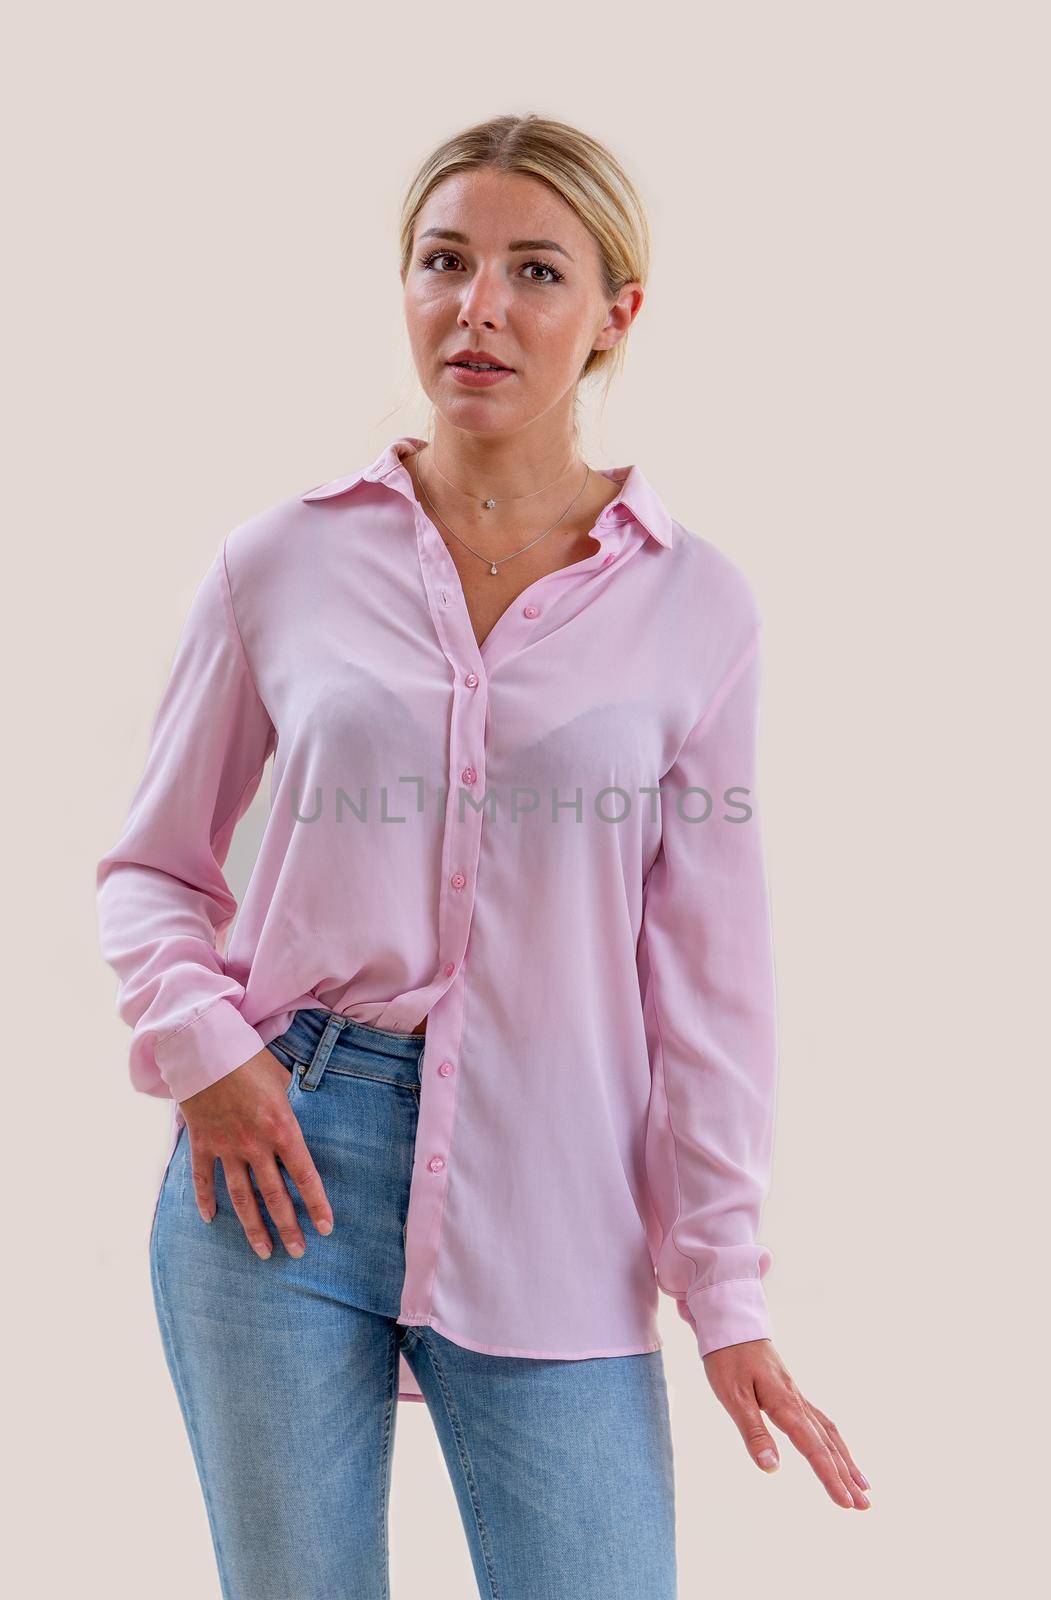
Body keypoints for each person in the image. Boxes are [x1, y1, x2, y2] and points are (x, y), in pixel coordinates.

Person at [96, 112, 869, 1600]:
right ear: (404, 283)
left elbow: (712, 989)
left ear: (615, 316)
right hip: (275, 1163)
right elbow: (150, 866)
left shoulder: (696, 607)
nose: (482, 308)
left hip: (559, 1194)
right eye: (446, 262)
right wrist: (201, 1047)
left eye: (535, 270)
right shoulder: (283, 562)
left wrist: (725, 1291)